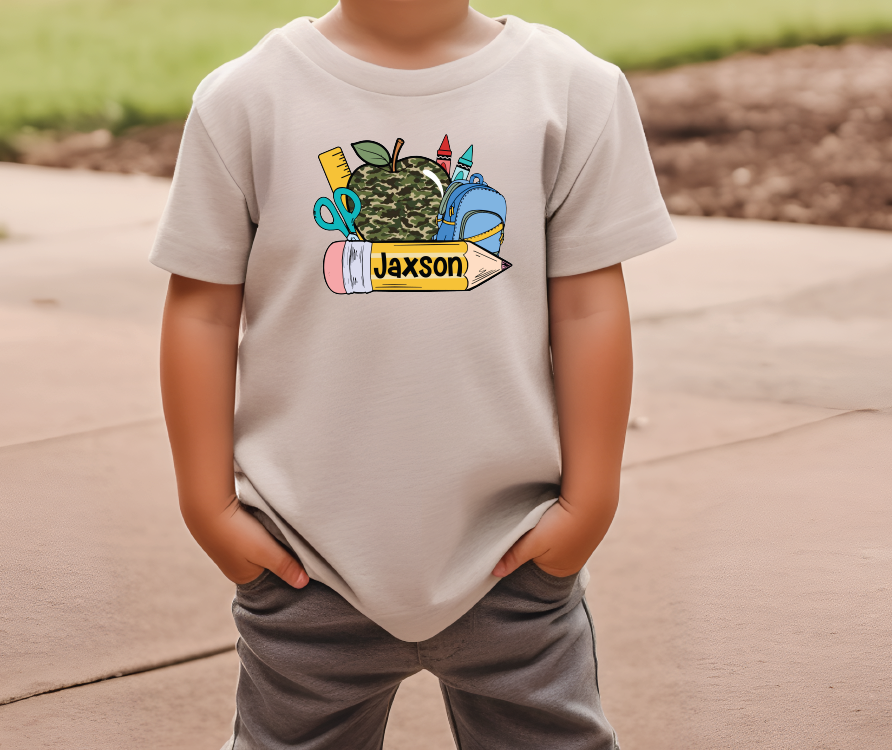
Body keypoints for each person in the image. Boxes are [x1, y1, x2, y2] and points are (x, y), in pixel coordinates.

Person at [152, 0, 675, 747]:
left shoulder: (570, 91)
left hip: (514, 553)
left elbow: (591, 308)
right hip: (304, 560)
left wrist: (589, 503)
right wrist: (207, 507)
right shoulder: (244, 99)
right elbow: (200, 312)